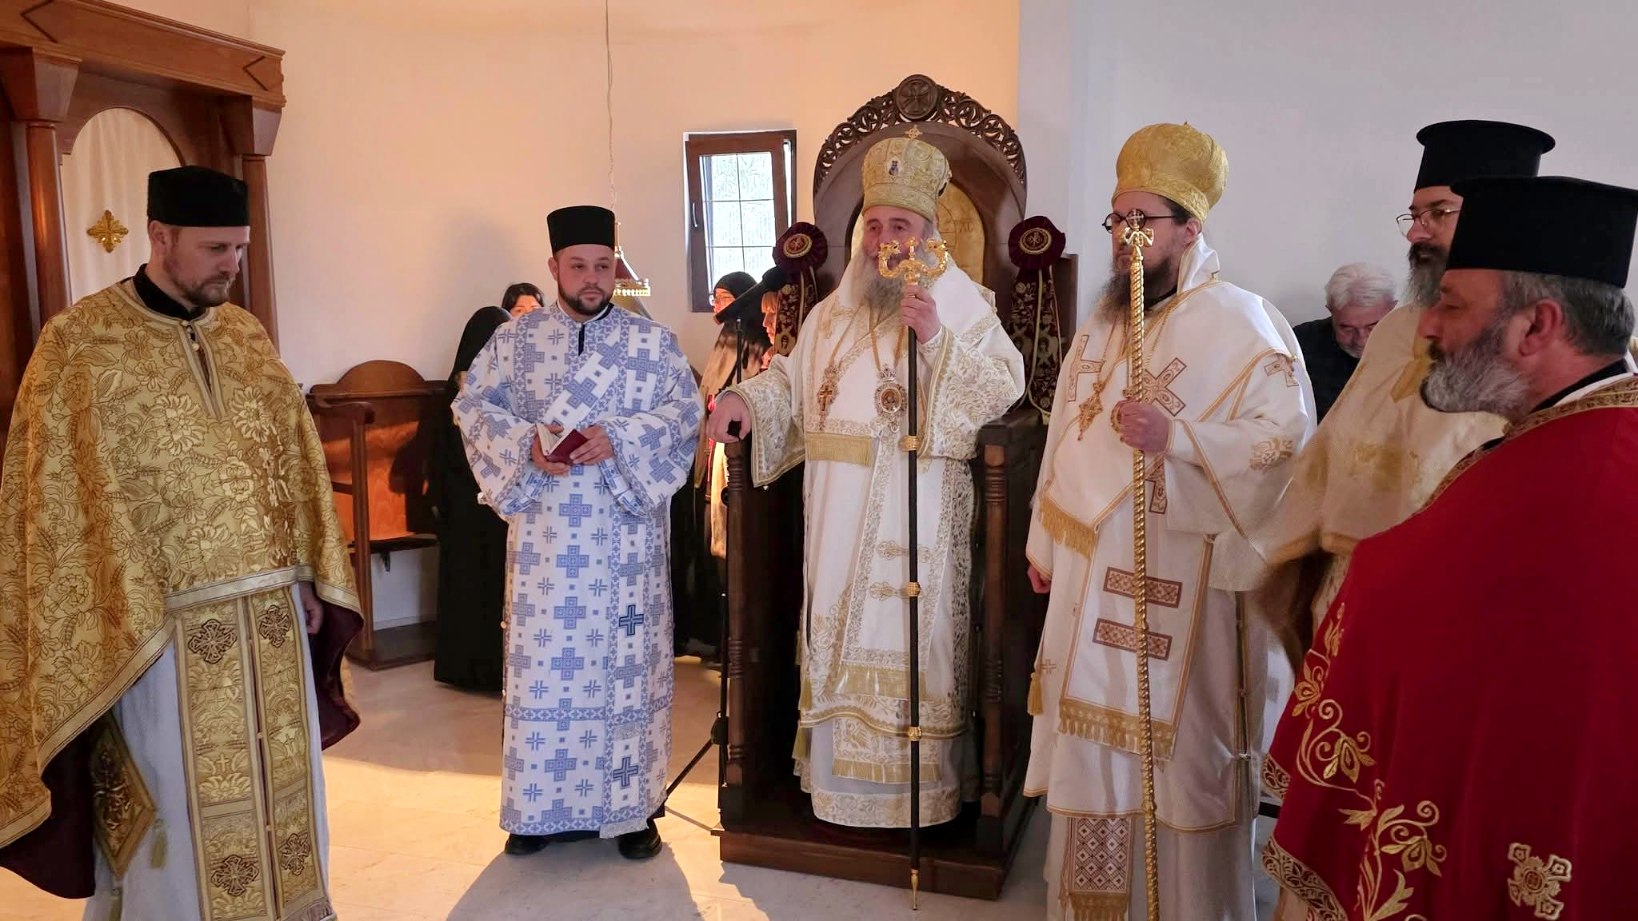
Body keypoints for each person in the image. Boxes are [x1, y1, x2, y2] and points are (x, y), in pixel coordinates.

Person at [1265, 175, 1638, 920]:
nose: (1428, 326)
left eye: (1454, 305)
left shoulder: (1593, 471)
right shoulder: (1562, 438)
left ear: (1536, 327)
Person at [0, 165, 362, 920]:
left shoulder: (245, 335)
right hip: (157, 631)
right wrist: (113, 610)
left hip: (269, 618)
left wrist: (305, 575)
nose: (232, 265)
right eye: (215, 249)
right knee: (177, 805)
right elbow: (53, 500)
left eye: (240, 248)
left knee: (284, 790)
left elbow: (287, 462)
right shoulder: (80, 343)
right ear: (159, 236)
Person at [1022, 123, 1313, 920]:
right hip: (1088, 580)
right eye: (1117, 218)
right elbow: (1064, 433)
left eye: (1142, 219)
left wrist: (1179, 438)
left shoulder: (1245, 324)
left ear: (1191, 226)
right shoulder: (1104, 321)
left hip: (1182, 583)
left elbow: (1283, 448)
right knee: (1093, 754)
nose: (1126, 235)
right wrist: (1044, 541)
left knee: (1180, 765)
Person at [706, 133, 1024, 828]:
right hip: (835, 515)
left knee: (908, 643)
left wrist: (935, 337)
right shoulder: (833, 310)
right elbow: (791, 382)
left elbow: (1004, 387)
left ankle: (919, 797)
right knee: (832, 627)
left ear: (929, 232)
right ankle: (835, 789)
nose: (884, 240)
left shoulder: (960, 300)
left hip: (917, 507)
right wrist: (744, 401)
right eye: (874, 225)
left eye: (899, 225)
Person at [454, 204, 701, 860]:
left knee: (627, 673)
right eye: (578, 265)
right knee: (546, 676)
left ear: (615, 267)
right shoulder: (515, 340)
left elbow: (683, 414)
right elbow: (471, 408)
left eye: (603, 265)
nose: (592, 278)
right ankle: (537, 812)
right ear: (554, 267)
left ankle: (633, 810)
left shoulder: (653, 344)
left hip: (627, 542)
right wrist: (526, 444)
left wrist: (618, 436)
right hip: (547, 545)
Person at [1252, 120, 1554, 648]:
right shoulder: (1395, 330)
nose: (1416, 233)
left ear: (1500, 218)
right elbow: (1328, 458)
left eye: (1438, 212)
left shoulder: (1538, 342)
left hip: (1453, 613)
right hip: (1348, 602)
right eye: (1413, 216)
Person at [673, 270, 761, 658]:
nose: (717, 306)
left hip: (735, 466)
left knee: (734, 550)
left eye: (723, 298)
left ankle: (735, 636)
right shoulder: (723, 340)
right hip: (708, 460)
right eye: (715, 297)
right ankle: (713, 632)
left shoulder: (754, 340)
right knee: (708, 546)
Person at [432, 305, 514, 691]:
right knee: (477, 588)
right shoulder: (466, 390)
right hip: (476, 504)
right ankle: (480, 669)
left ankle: (475, 668)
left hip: (477, 504)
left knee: (479, 588)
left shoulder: (479, 388)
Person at [1292, 263, 1397, 420]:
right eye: (1347, 328)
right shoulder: (1301, 344)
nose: (1361, 341)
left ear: (1392, 308)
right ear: (1331, 310)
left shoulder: (1418, 345)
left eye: (1372, 326)